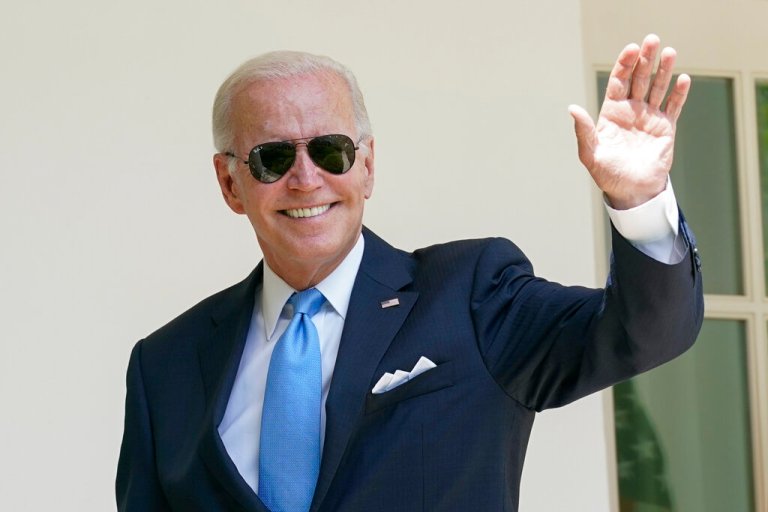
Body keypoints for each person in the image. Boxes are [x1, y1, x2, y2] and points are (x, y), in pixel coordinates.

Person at [116, 34, 704, 512]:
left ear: (366, 166)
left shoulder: (469, 295)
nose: (305, 179)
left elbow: (643, 333)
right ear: (230, 184)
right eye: (272, 158)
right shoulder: (165, 365)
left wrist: (640, 202)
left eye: (331, 152)